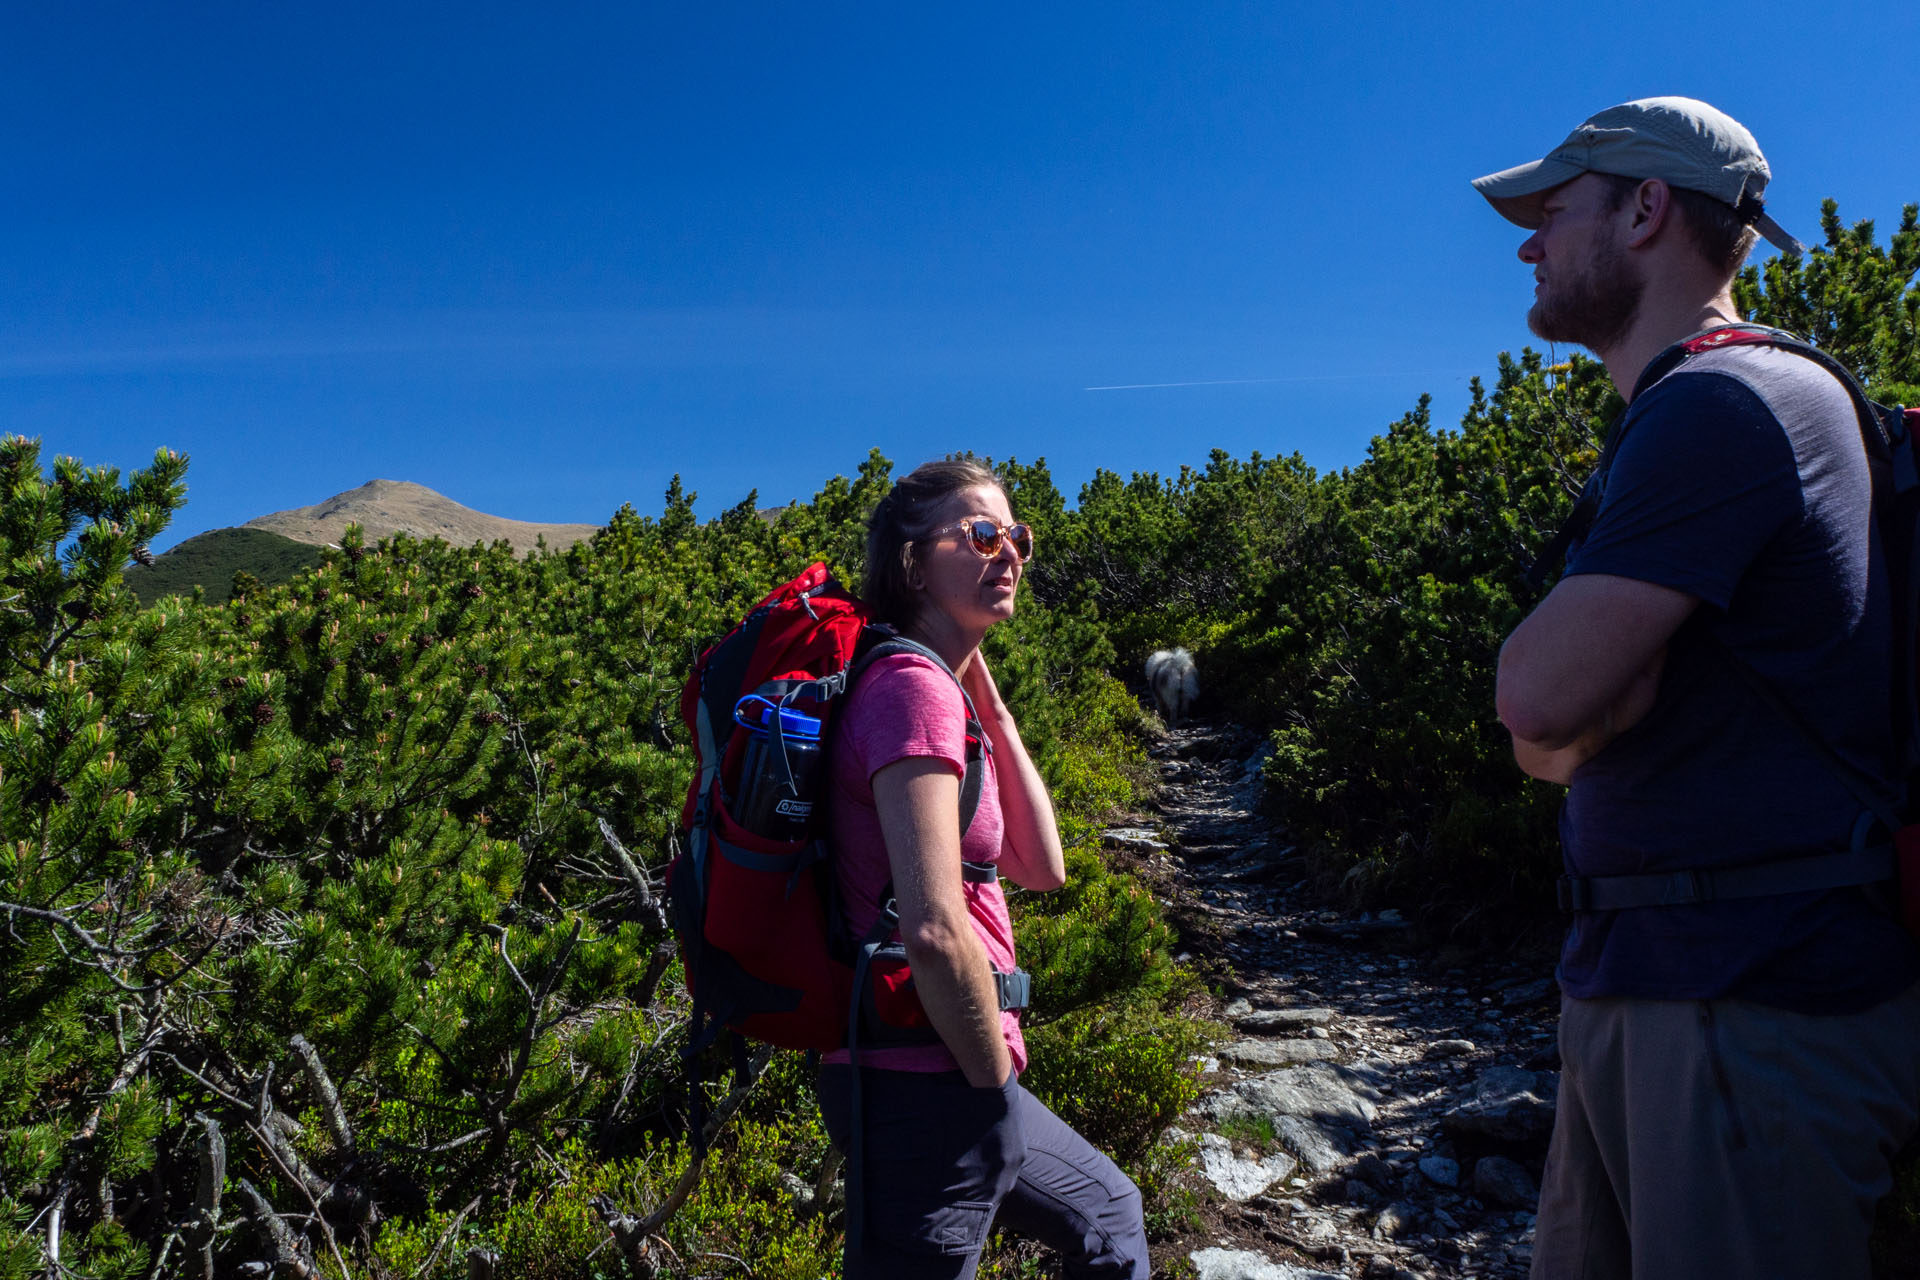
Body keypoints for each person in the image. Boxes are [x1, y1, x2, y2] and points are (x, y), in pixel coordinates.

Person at [1480, 96, 1920, 1278]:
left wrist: (1579, 715)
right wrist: (1577, 717)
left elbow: (1534, 694)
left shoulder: (1725, 406)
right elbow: (1557, 721)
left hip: (1747, 1005)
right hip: (1664, 984)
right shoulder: (1704, 403)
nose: (1528, 241)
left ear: (1644, 208)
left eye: (1551, 210)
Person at [813, 457, 1150, 1279]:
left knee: (1110, 1213)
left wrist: (987, 699)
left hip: (948, 1067)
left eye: (1020, 538)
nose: (1011, 555)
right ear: (913, 562)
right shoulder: (910, 692)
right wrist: (991, 1084)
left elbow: (1043, 866)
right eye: (983, 534)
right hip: (921, 1080)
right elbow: (932, 931)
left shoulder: (944, 692)